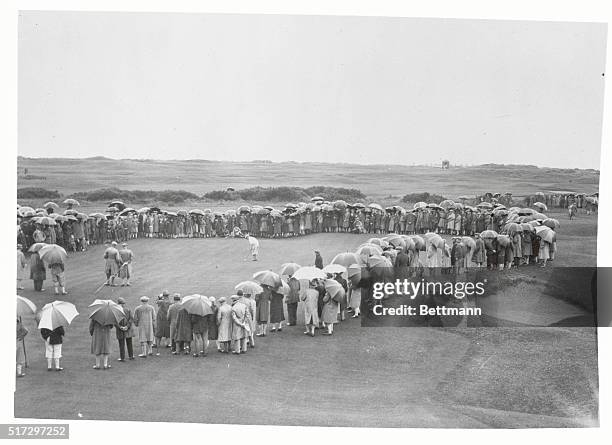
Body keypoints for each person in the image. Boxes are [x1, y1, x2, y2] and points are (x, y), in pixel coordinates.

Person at [115, 297, 135, 361]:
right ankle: (131, 356)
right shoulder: (128, 310)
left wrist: (120, 327)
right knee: (129, 343)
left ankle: (122, 357)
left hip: (120, 330)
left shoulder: (116, 311)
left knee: (121, 344)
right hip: (128, 330)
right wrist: (127, 326)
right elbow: (131, 319)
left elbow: (115, 321)